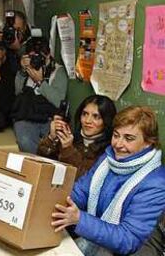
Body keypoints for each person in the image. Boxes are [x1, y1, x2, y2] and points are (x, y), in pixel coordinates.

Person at [52, 106, 165, 255]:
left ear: (148, 143)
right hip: (94, 237)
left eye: (128, 138)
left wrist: (80, 219)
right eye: (116, 135)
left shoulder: (156, 183)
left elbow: (128, 239)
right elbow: (81, 192)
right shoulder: (108, 159)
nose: (118, 144)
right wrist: (52, 203)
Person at [11, 36, 67, 153]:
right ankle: (39, 162)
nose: (36, 60)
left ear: (48, 55)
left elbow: (58, 101)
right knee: (25, 141)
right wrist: (22, 71)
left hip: (48, 118)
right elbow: (17, 93)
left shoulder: (58, 72)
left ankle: (44, 161)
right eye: (32, 57)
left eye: (39, 57)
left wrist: (41, 82)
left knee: (55, 143)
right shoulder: (27, 70)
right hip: (27, 116)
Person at [37, 95, 117, 178]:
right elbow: (41, 164)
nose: (87, 121)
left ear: (106, 121)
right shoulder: (71, 138)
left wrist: (68, 149)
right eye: (85, 114)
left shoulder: (109, 151)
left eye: (96, 117)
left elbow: (85, 179)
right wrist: (51, 138)